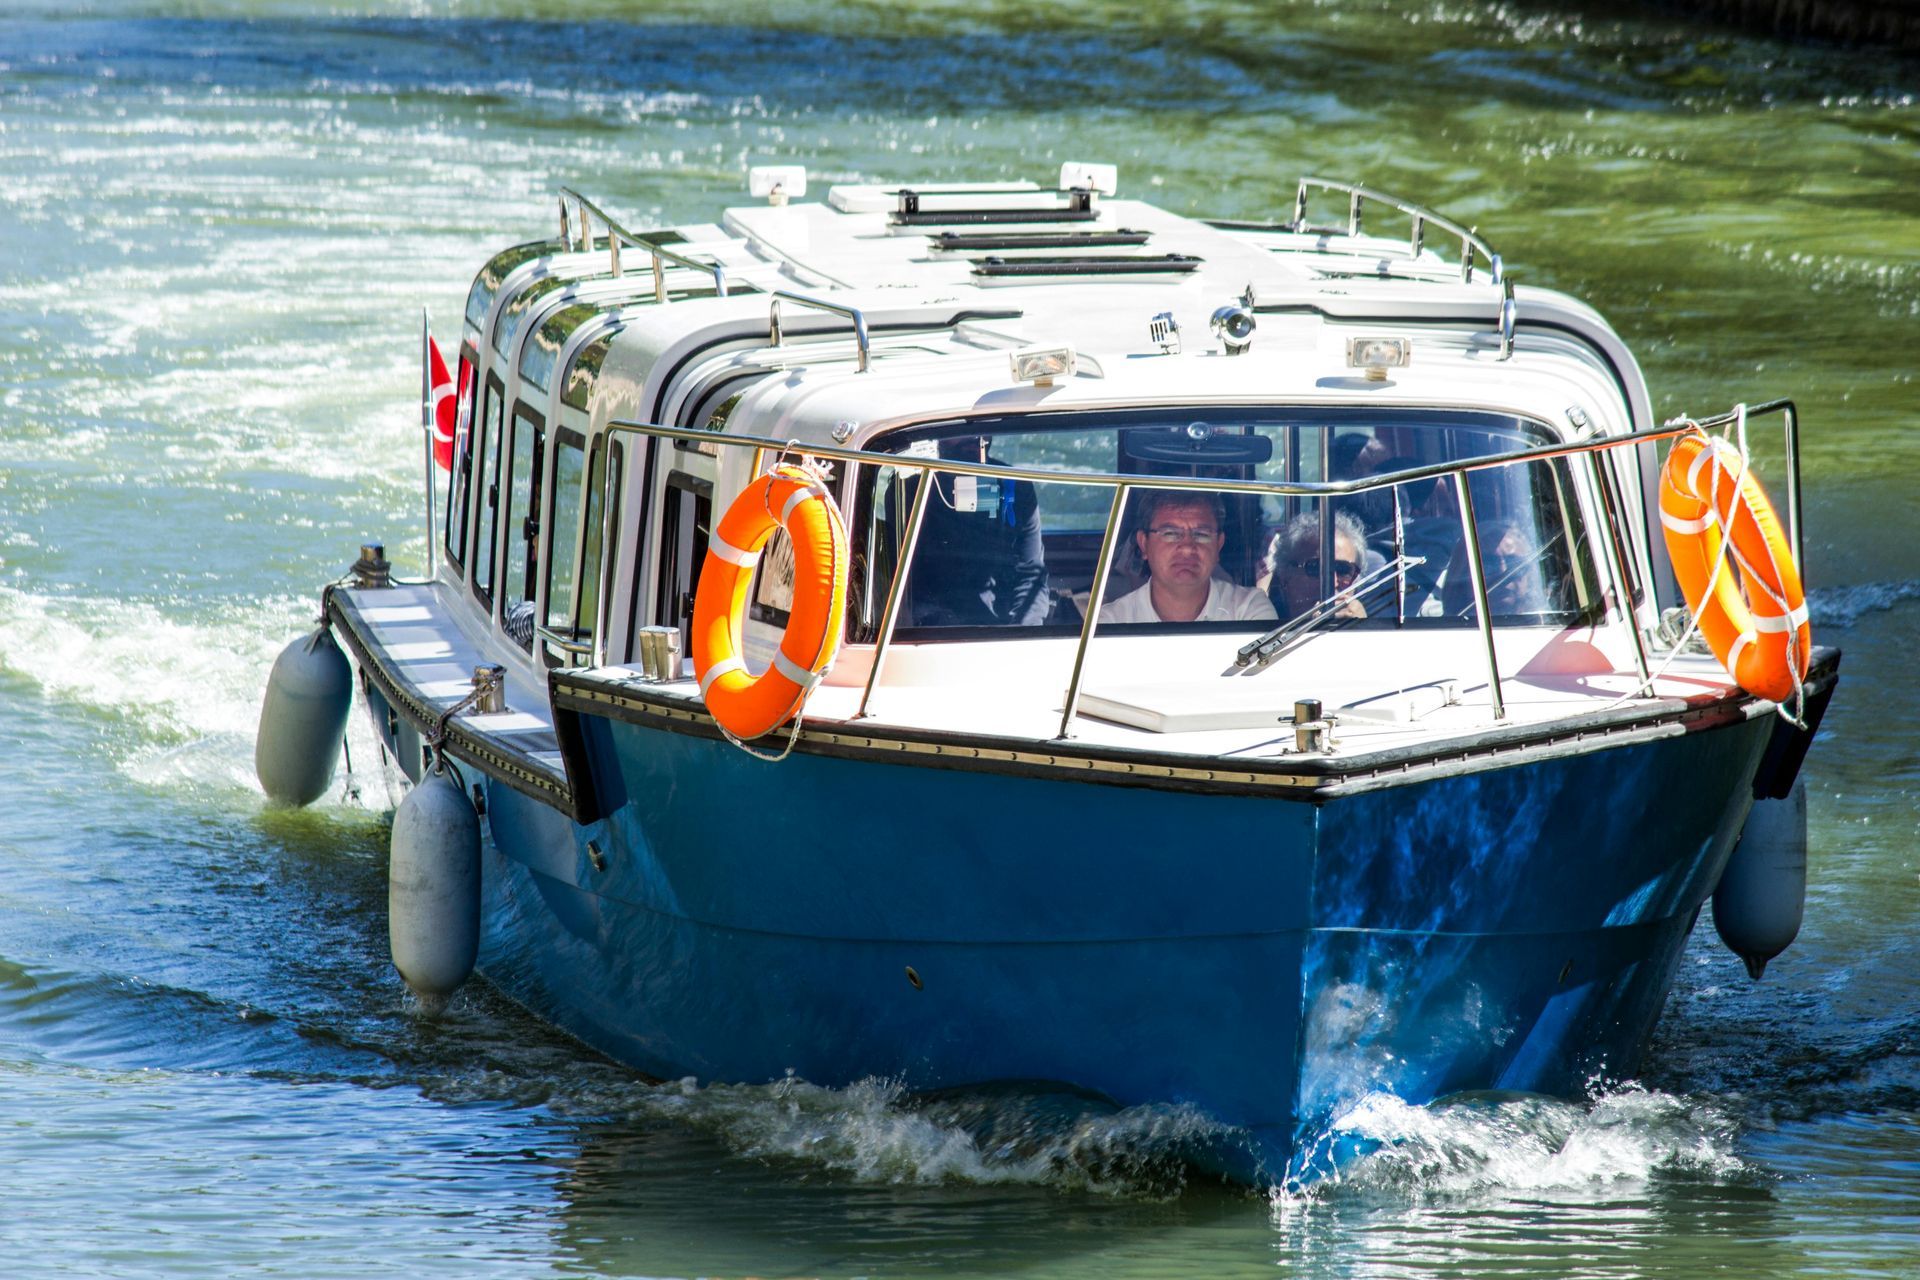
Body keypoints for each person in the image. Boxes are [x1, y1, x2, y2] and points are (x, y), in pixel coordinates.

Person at [1100, 491, 1276, 624]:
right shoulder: (1112, 621)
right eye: (1170, 533)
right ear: (1144, 543)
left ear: (1219, 545)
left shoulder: (1249, 611)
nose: (1187, 548)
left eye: (1201, 534)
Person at [1267, 509, 1370, 622]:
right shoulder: (1258, 621)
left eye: (1343, 570)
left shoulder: (1384, 630)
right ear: (1285, 574)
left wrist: (1362, 626)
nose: (1332, 582)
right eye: (1316, 568)